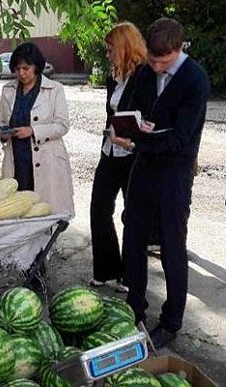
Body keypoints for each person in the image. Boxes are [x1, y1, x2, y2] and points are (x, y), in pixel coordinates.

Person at [115, 18, 210, 348]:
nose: (155, 66)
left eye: (163, 61)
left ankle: (171, 321)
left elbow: (183, 138)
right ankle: (134, 307)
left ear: (180, 49)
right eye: (152, 60)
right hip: (143, 166)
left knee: (172, 244)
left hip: (175, 172)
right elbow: (129, 109)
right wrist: (129, 128)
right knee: (133, 235)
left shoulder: (195, 79)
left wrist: (145, 136)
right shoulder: (144, 72)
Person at [89, 22, 147, 293]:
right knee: (99, 207)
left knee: (132, 215)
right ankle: (105, 269)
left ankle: (128, 275)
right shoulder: (113, 76)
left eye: (111, 49)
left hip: (133, 154)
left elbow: (147, 118)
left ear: (125, 47)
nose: (108, 54)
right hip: (110, 150)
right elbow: (112, 112)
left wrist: (132, 137)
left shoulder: (145, 76)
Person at [0, 42, 74, 216]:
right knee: (18, 210)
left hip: (46, 160)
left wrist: (33, 131)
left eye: (26, 68)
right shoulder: (8, 90)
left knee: (45, 210)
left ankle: (48, 242)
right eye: (17, 69)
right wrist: (3, 132)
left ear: (36, 66)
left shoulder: (54, 90)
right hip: (17, 157)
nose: (21, 73)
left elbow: (62, 125)